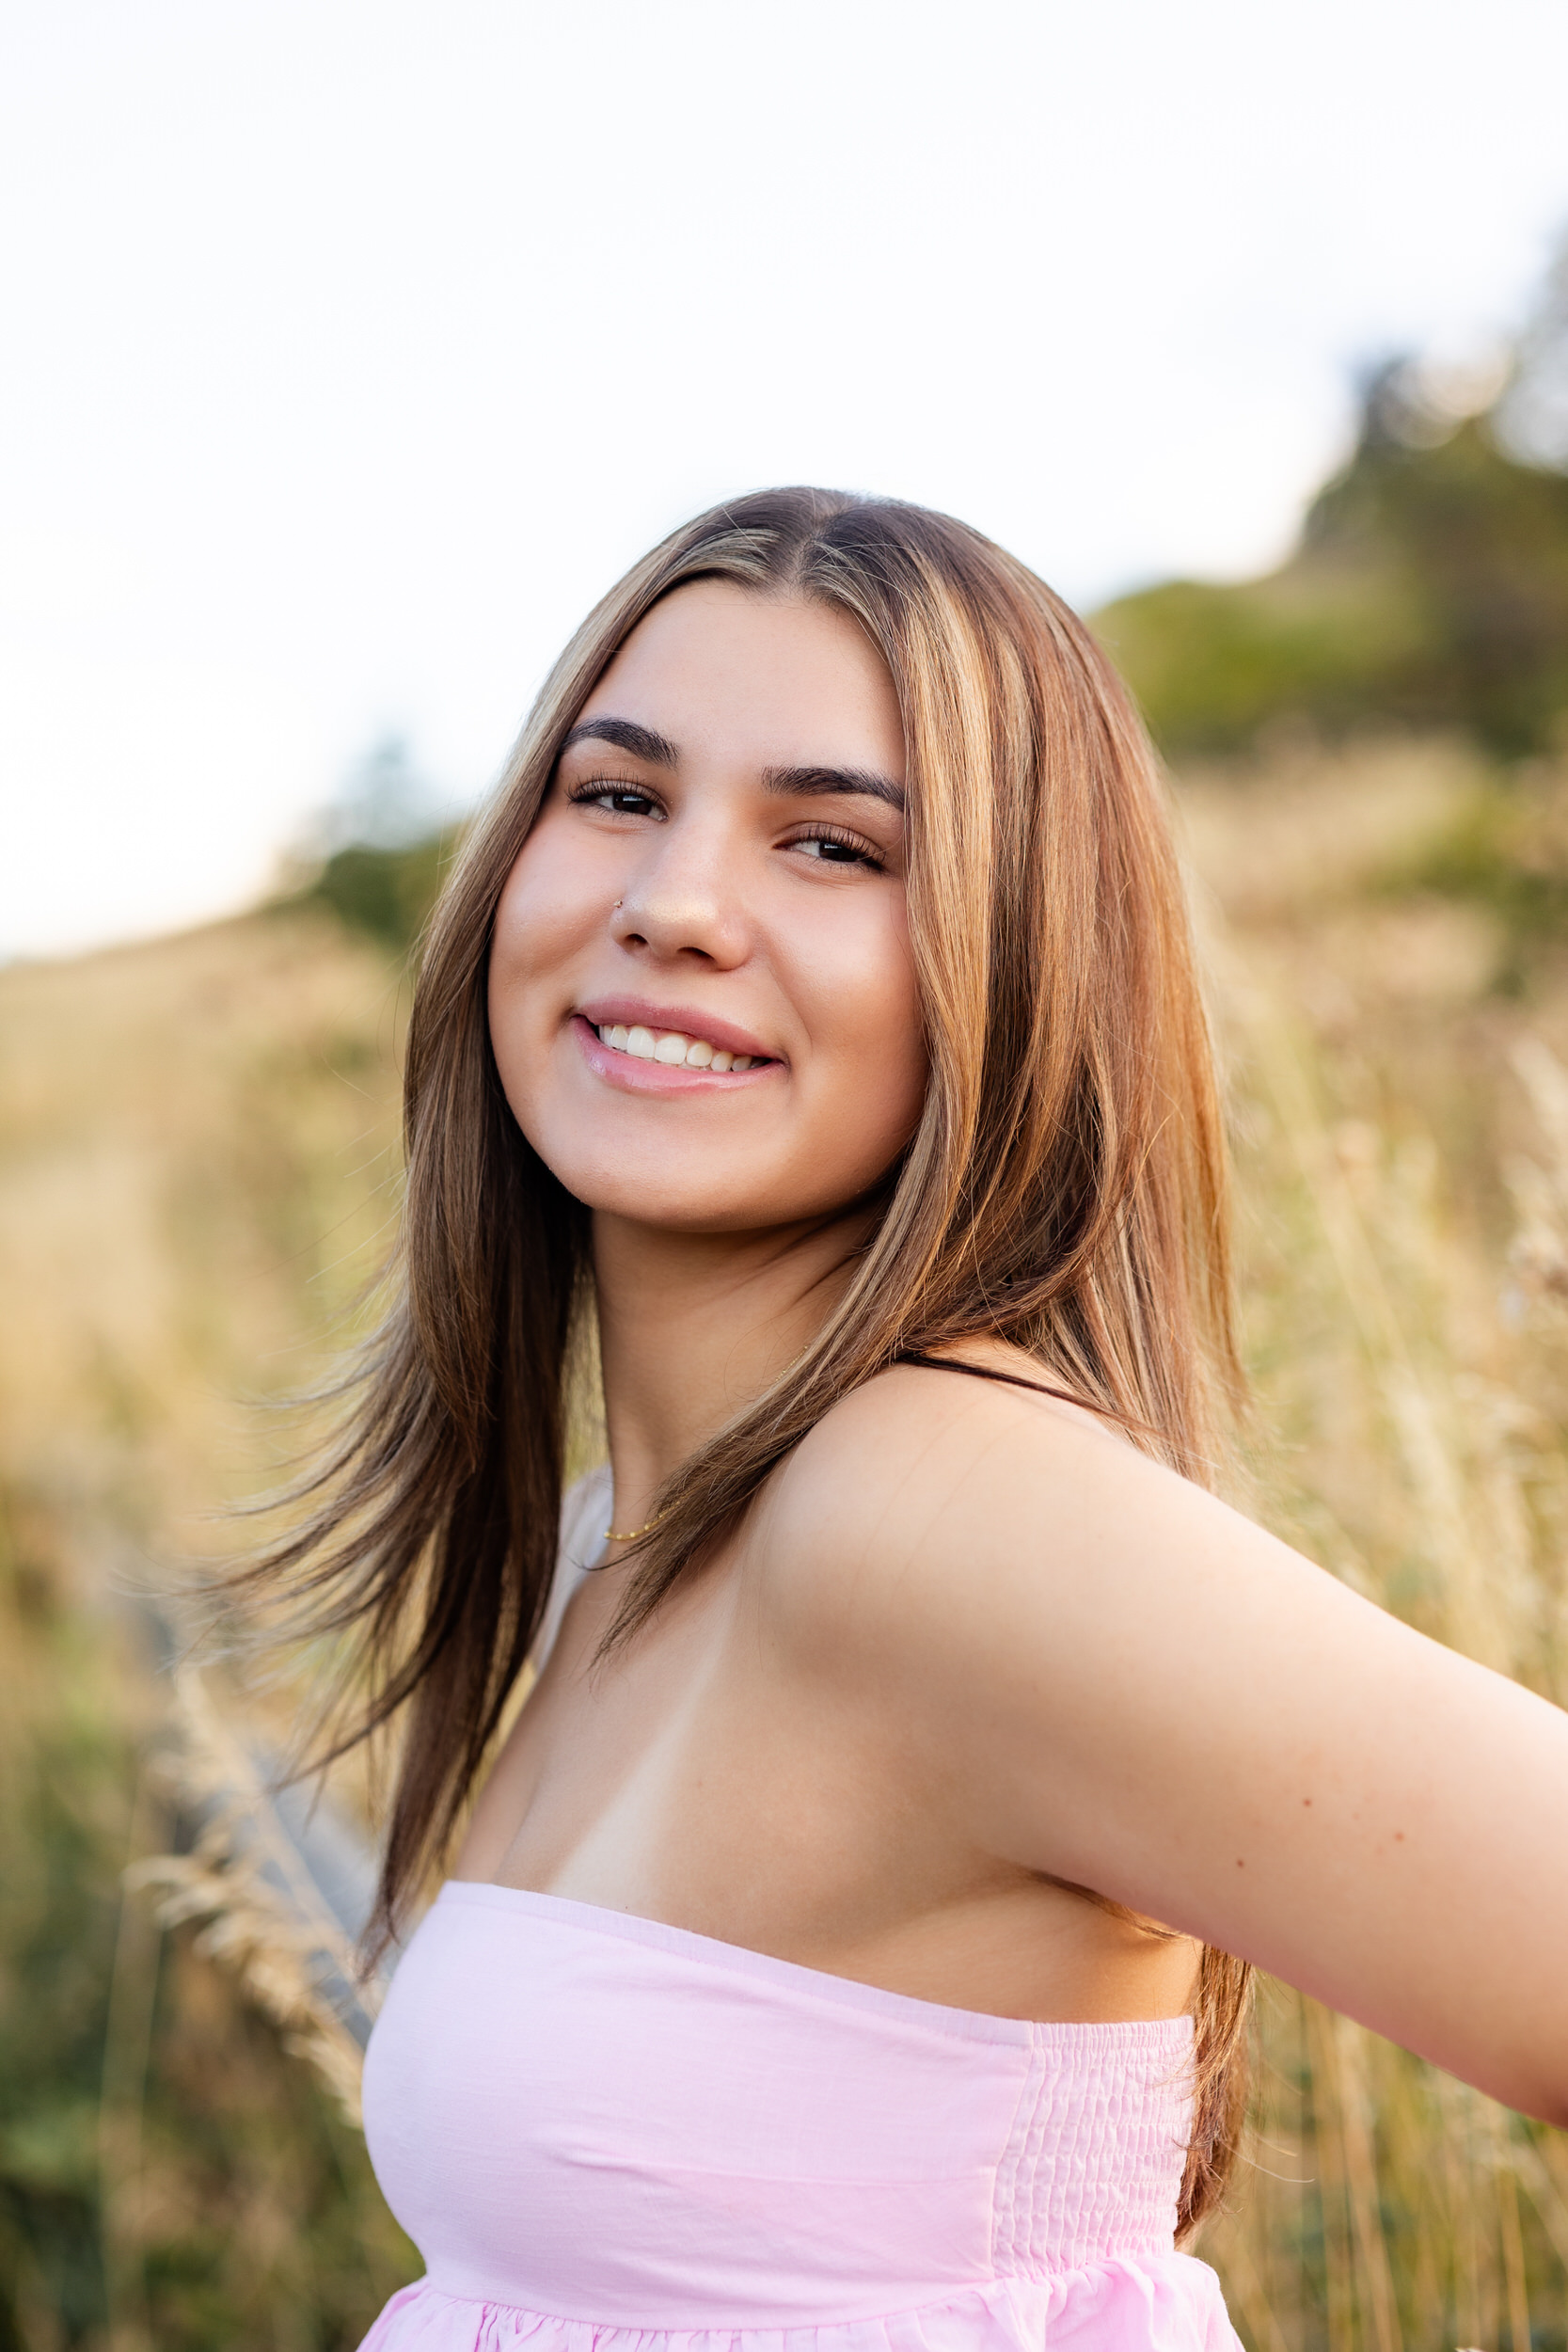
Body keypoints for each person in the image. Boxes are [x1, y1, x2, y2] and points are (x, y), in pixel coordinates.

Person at [251, 488, 1568, 2352]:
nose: (675, 903)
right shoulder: (617, 1533)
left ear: (1018, 961)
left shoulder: (937, 1509)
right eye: (618, 794)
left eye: (835, 843)